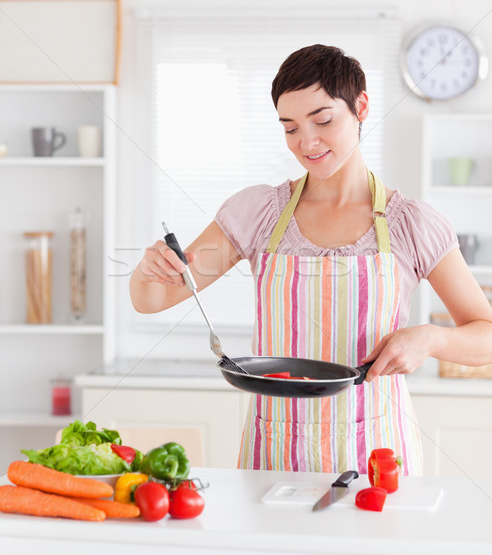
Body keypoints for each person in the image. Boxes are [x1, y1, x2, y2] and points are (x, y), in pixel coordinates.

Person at [130, 44, 492, 475]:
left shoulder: (411, 223)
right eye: (290, 128)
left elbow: (485, 335)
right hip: (275, 452)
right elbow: (151, 299)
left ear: (360, 106)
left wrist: (432, 339)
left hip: (378, 450)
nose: (307, 142)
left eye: (323, 120)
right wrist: (148, 269)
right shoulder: (258, 213)